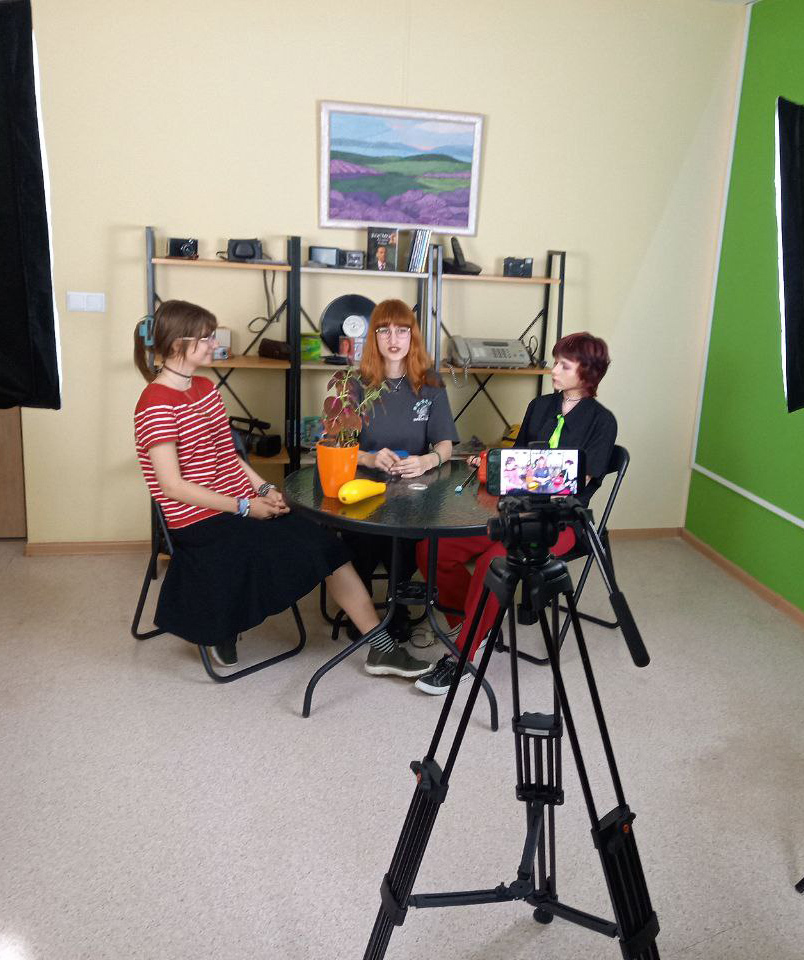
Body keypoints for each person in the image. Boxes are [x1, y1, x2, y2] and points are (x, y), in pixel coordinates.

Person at [132, 299, 431, 679]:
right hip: (198, 521)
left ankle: (381, 649)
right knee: (277, 548)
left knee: (326, 545)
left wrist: (264, 489)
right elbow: (172, 486)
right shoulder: (155, 404)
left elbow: (229, 454)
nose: (214, 345)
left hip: (238, 504)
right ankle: (223, 626)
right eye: (206, 338)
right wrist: (244, 507)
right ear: (178, 344)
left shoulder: (205, 388)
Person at [414, 331, 617, 695]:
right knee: (431, 549)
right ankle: (472, 621)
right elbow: (516, 461)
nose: (554, 370)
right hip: (514, 511)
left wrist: (517, 471)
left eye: (564, 365)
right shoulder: (539, 407)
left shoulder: (602, 421)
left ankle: (462, 656)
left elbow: (574, 481)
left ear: (588, 371)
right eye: (555, 362)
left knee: (494, 562)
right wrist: (492, 463)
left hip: (559, 522)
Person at [340, 298, 459, 646]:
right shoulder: (355, 383)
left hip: (414, 484)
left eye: (402, 331)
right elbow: (337, 447)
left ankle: (399, 607)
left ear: (412, 336)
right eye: (384, 331)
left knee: (405, 537)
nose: (394, 339)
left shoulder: (430, 383)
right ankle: (361, 610)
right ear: (373, 338)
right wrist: (368, 459)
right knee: (361, 536)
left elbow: (445, 445)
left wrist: (426, 461)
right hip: (364, 482)